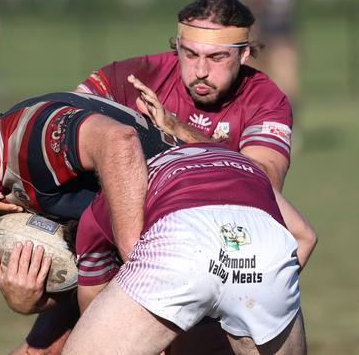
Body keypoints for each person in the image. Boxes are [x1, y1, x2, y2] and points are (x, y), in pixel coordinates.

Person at [0, 90, 180, 353]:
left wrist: (135, 257)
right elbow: (87, 271)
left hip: (195, 232)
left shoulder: (34, 139)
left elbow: (118, 140)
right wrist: (33, 300)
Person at [63, 143, 317, 354]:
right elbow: (304, 236)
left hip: (182, 240)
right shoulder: (242, 163)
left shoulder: (106, 200)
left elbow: (93, 302)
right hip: (263, 244)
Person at [77, 0, 292, 191]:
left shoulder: (266, 100)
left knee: (304, 234)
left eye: (216, 57)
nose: (200, 71)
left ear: (244, 54)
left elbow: (266, 183)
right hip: (130, 215)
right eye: (190, 54)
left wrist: (176, 128)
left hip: (217, 222)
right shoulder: (136, 76)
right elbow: (64, 117)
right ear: (178, 46)